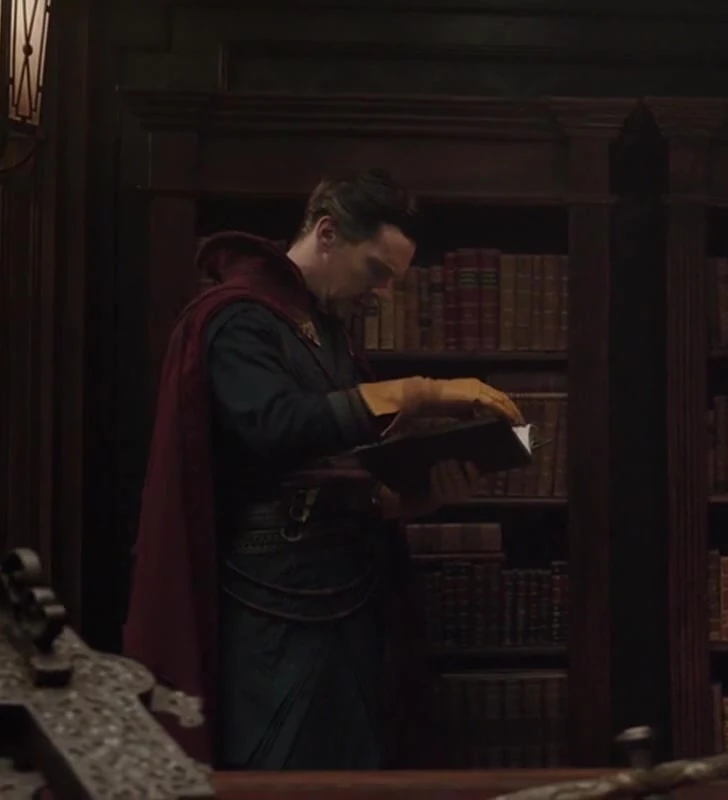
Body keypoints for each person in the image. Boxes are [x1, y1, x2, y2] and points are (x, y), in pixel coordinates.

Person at [123, 169, 525, 769]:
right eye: (376, 271)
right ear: (328, 234)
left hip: (351, 596)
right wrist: (419, 392)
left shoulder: (330, 334)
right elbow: (276, 425)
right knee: (280, 775)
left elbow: (340, 466)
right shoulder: (239, 318)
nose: (382, 293)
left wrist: (415, 497)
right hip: (274, 607)